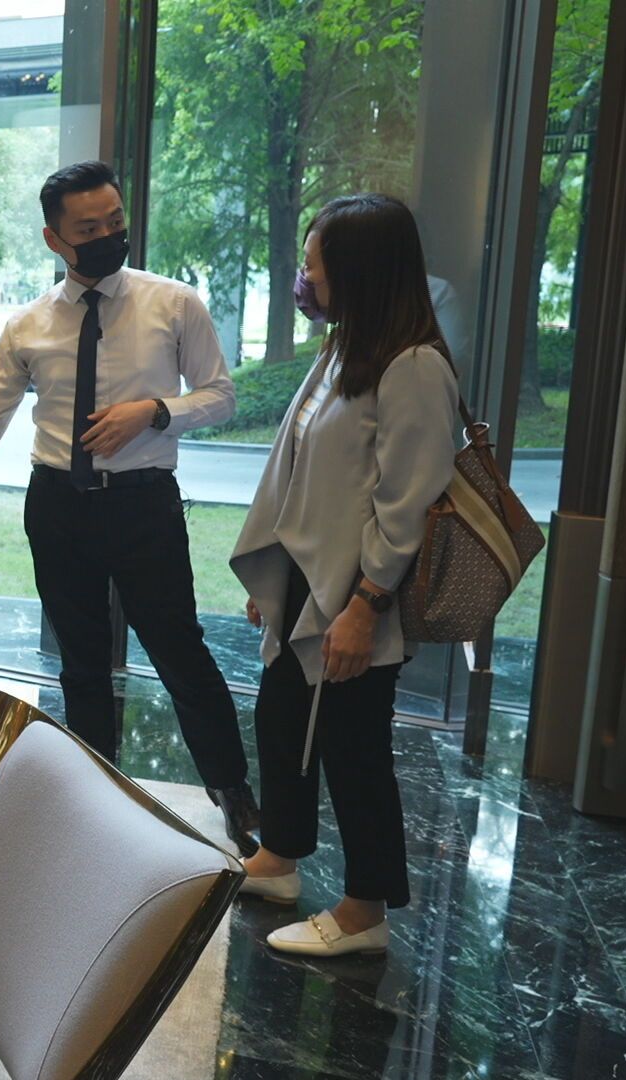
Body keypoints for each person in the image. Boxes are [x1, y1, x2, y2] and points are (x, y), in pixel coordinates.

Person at [0, 160, 259, 856]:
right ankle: (96, 809)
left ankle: (233, 792)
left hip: (145, 507)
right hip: (57, 508)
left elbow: (222, 395)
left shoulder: (175, 304)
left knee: (180, 653)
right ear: (55, 239)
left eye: (115, 221)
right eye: (89, 229)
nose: (108, 235)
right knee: (80, 666)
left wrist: (154, 411)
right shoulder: (28, 324)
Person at [229, 193, 461, 957]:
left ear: (358, 271)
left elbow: (408, 503)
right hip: (308, 578)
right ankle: (278, 858)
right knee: (281, 719)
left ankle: (365, 913)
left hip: (360, 591)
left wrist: (365, 605)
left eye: (315, 264)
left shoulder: (414, 366)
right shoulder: (344, 348)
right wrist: (275, 577)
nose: (305, 278)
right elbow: (300, 468)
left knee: (354, 747)